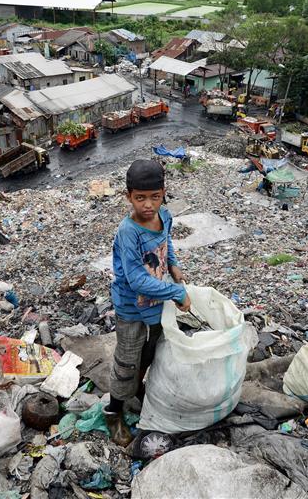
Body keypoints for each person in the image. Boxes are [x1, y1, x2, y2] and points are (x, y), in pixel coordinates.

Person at [105, 160, 189, 447]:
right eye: (140, 198)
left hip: (155, 307)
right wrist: (176, 293)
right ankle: (114, 411)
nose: (148, 205)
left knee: (149, 355)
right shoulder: (129, 232)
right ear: (128, 196)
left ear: (163, 193)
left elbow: (167, 243)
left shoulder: (164, 216)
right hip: (131, 309)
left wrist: (174, 266)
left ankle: (136, 392)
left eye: (155, 197)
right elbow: (137, 280)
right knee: (126, 362)